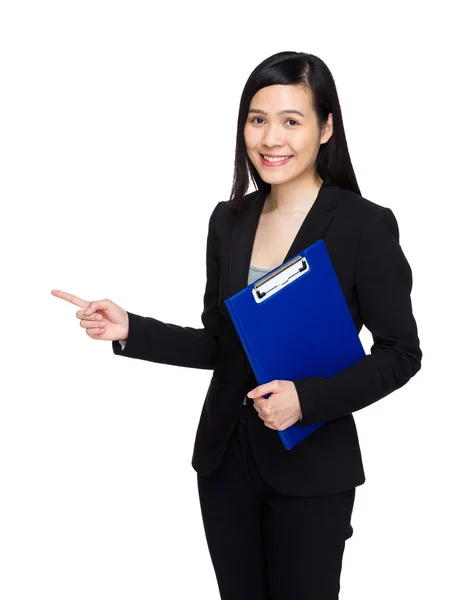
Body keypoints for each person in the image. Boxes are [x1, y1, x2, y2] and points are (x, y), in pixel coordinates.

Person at [51, 50, 422, 600]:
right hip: (225, 463)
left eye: (291, 121)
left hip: (312, 468)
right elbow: (224, 344)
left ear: (326, 128)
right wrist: (131, 327)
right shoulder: (229, 221)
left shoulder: (364, 226)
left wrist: (307, 400)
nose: (271, 137)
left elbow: (400, 353)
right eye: (257, 119)